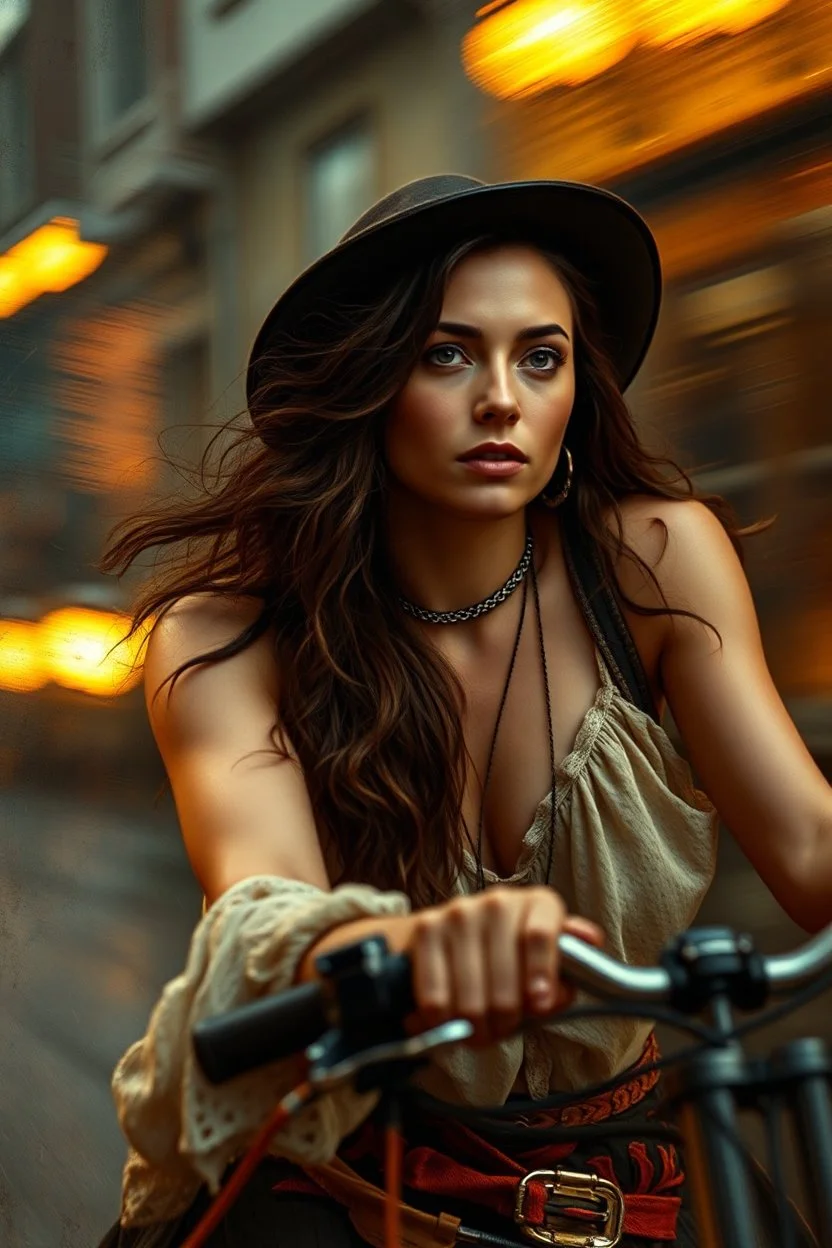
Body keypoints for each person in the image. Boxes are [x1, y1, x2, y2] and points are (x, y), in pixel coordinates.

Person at [95, 174, 832, 1247]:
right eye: (447, 355)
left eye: (541, 357)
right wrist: (403, 951)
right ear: (366, 381)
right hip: (357, 1168)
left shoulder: (656, 561)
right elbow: (266, 908)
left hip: (629, 1161)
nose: (501, 399)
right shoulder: (225, 641)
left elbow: (809, 845)